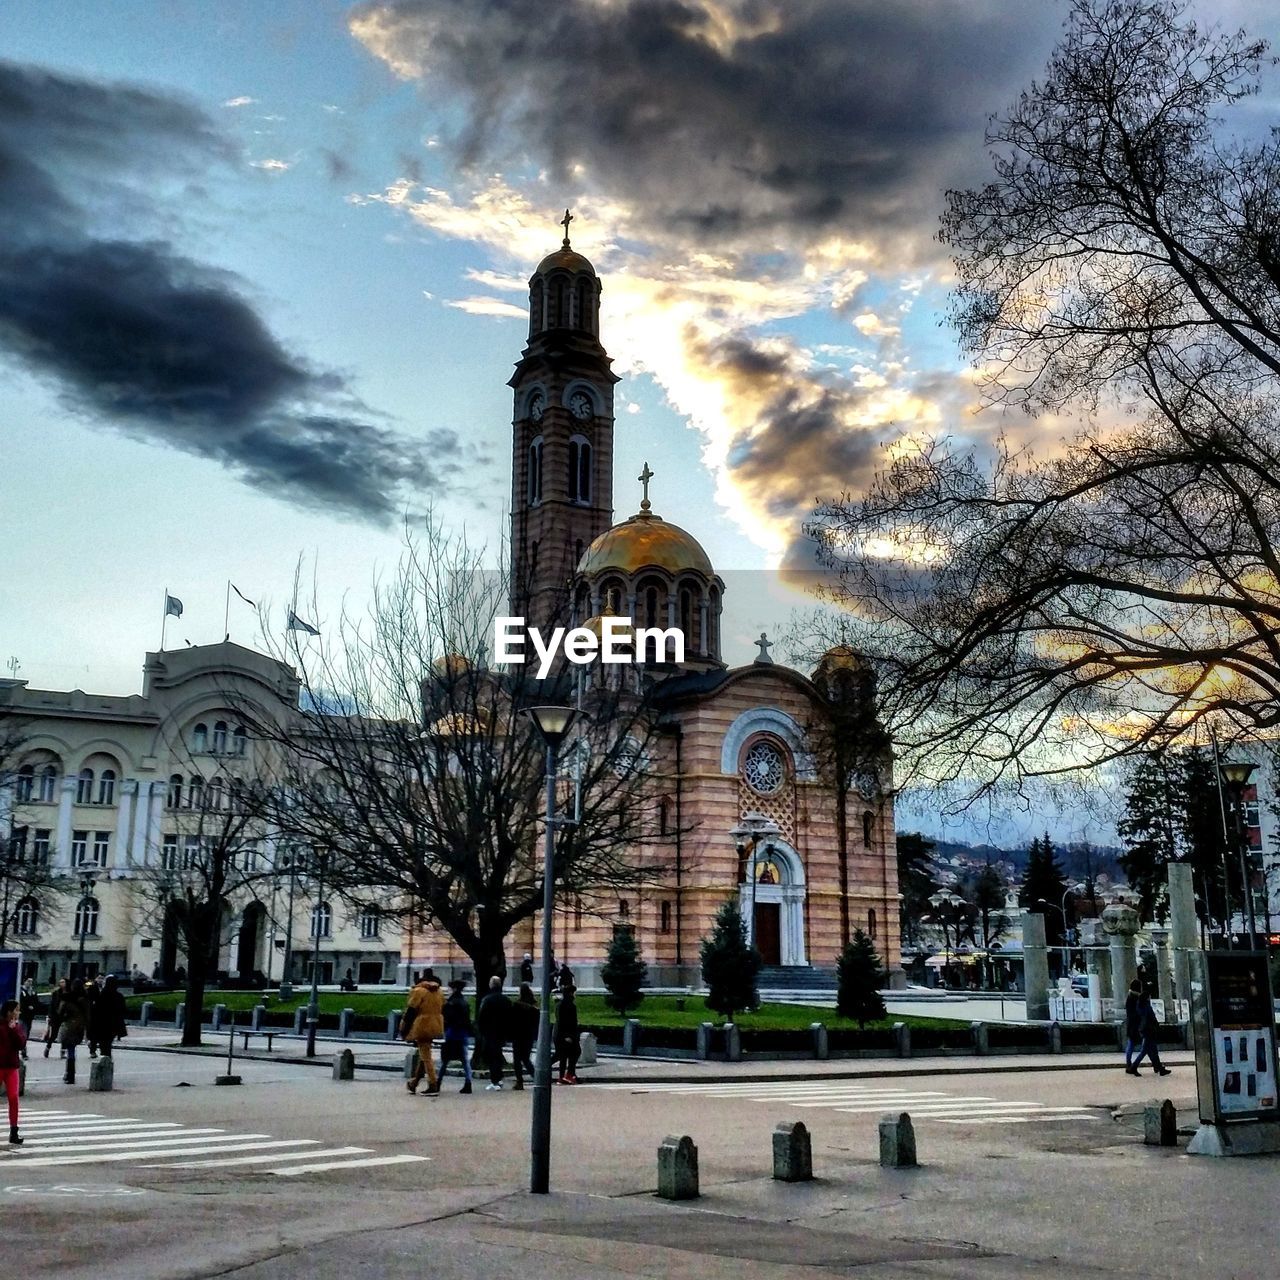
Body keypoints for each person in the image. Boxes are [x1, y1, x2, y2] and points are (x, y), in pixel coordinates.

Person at [401, 970, 445, 1096]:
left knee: (426, 1056)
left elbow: (410, 1012)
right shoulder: (439, 992)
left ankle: (433, 1084)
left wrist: (404, 1029)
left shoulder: (418, 992)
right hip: (436, 1024)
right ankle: (414, 1082)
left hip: (422, 1025)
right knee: (424, 1054)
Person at [438, 978, 474, 1094]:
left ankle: (438, 1082)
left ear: (453, 989)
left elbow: (446, 1018)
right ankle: (468, 1083)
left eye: (449, 988)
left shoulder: (450, 1003)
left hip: (452, 1033)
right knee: (465, 1060)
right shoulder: (465, 1002)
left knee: (445, 1060)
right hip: (463, 1033)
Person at [476, 976, 512, 1090]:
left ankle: (495, 1080)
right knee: (497, 1054)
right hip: (502, 1031)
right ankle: (498, 1078)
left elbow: (481, 1017)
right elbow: (510, 1016)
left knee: (492, 1056)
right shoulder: (506, 1000)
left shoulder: (487, 999)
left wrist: (480, 1030)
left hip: (490, 1032)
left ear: (491, 985)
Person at [1129, 991, 1171, 1077]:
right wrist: (1158, 1027)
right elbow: (1152, 1018)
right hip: (1149, 1030)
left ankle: (1159, 1068)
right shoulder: (1147, 1006)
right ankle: (1134, 1066)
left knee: (1153, 1051)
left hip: (1143, 1030)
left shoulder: (1139, 1006)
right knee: (1144, 1051)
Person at [2, 1000, 27, 1145]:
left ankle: (14, 1131)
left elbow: (21, 1044)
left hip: (12, 1066)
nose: (18, 1013)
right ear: (9, 1012)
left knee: (13, 1097)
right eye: (16, 1010)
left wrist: (13, 1030)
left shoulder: (16, 1027)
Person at [92, 975, 128, 1058]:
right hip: (114, 1024)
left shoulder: (102, 995)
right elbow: (123, 1010)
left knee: (103, 1044)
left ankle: (104, 1058)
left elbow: (96, 1010)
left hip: (102, 1023)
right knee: (108, 1043)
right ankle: (107, 1057)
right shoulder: (119, 996)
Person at [512, 984, 539, 1089]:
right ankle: (536, 1077)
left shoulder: (516, 1006)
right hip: (529, 1036)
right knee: (526, 1058)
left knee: (517, 1060)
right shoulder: (534, 1008)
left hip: (518, 1035)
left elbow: (513, 1021)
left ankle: (519, 1081)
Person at [59, 983, 87, 1084]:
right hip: (80, 1026)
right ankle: (71, 1074)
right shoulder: (84, 999)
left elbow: (60, 1013)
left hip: (70, 1026)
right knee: (72, 1049)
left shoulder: (67, 1000)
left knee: (70, 1050)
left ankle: (69, 1074)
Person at [555, 983, 580, 1084]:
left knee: (565, 1055)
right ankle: (566, 1075)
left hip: (566, 1034)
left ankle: (568, 1074)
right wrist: (567, 1036)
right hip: (567, 1035)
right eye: (574, 993)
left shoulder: (562, 1004)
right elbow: (563, 1021)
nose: (575, 995)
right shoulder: (568, 1005)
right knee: (568, 1055)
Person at [44, 977, 67, 1058]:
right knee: (54, 1034)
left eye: (63, 982)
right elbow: (52, 1005)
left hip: (65, 1017)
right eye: (61, 982)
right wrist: (50, 1016)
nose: (62, 984)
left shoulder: (68, 993)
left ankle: (63, 1051)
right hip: (56, 1016)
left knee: (65, 1035)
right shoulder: (56, 993)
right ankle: (48, 1047)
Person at [1123, 979, 1143, 1073]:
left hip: (1131, 1024)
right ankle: (1130, 1065)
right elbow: (1137, 1012)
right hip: (1136, 1025)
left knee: (1131, 1044)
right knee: (1134, 1044)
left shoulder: (1130, 997)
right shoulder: (1136, 998)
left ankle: (1129, 1063)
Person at [18, 981, 38, 1058]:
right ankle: (23, 1051)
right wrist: (27, 1007)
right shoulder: (21, 992)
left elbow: (36, 1001)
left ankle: (23, 1048)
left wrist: (34, 1007)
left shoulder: (32, 992)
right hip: (22, 1016)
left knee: (26, 1033)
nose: (30, 983)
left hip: (29, 1016)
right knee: (23, 1033)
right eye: (28, 981)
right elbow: (21, 1002)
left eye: (31, 981)